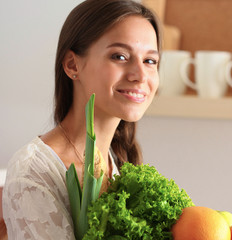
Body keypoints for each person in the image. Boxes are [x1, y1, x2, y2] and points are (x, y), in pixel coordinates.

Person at [2, 0, 161, 239]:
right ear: (72, 64)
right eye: (119, 56)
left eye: (150, 61)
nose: (140, 75)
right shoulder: (35, 170)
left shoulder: (114, 162)